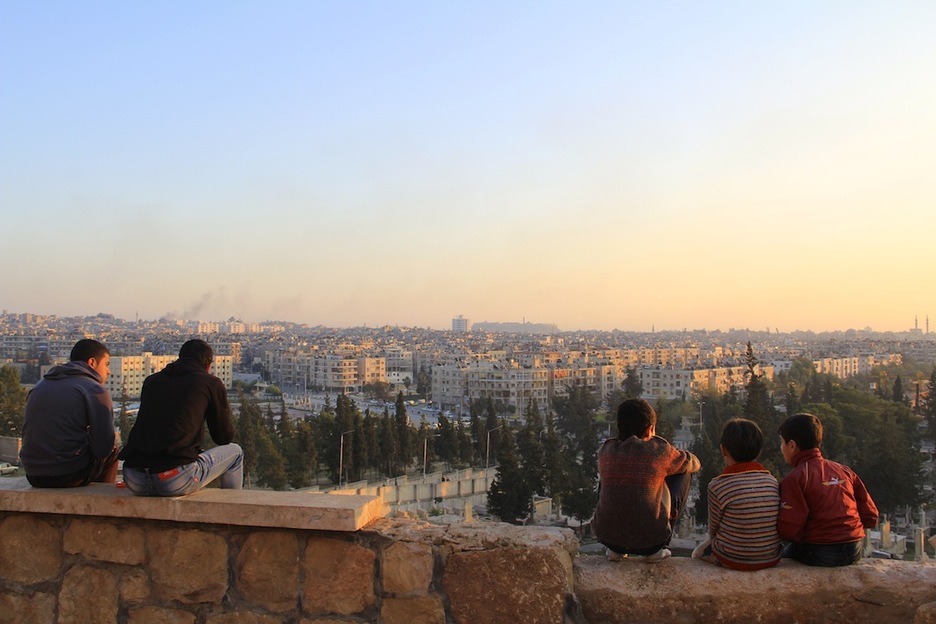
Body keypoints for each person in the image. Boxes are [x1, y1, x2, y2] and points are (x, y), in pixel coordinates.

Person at [119, 339, 243, 496]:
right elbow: (223, 438)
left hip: (134, 478)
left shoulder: (152, 381)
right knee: (236, 452)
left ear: (180, 358)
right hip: (173, 478)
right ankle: (231, 508)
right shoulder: (210, 383)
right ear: (208, 365)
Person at [593, 398, 701, 562]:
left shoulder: (606, 450)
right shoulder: (659, 451)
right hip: (651, 542)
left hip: (608, 537)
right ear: (650, 429)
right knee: (683, 471)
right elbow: (694, 463)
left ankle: (616, 551)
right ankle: (659, 547)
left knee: (610, 475)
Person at [777, 413, 878, 567]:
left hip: (820, 552)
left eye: (781, 443)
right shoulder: (844, 471)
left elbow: (787, 529)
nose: (781, 448)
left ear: (792, 445)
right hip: (854, 549)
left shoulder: (796, 478)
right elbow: (871, 517)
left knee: (780, 559)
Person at [20, 339, 119, 487]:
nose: (108, 371)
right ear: (92, 362)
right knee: (113, 449)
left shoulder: (41, 385)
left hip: (32, 474)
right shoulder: (94, 390)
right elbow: (103, 448)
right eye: (106, 364)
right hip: (68, 475)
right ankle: (101, 503)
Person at [692, 418, 782, 570]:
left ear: (723, 449)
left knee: (698, 552)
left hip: (733, 559)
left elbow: (713, 529)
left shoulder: (717, 485)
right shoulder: (772, 481)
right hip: (771, 557)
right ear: (759, 451)